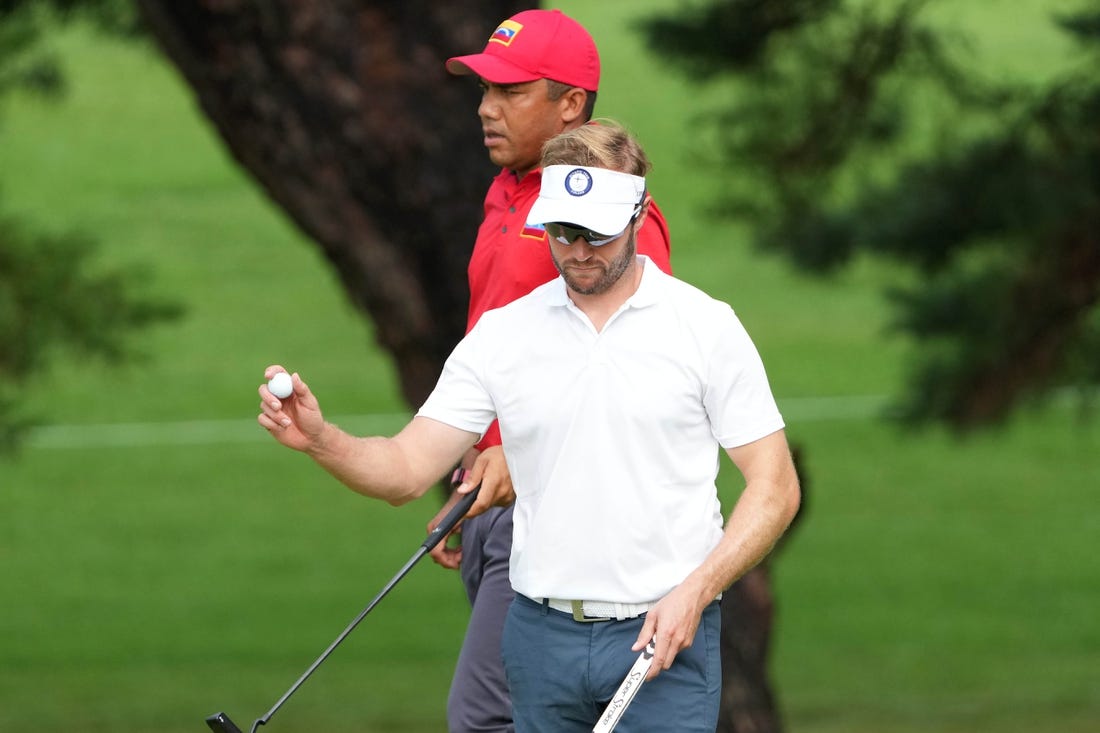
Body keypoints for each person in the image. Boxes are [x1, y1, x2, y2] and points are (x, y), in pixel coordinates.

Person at [257, 122, 801, 731]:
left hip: (664, 635)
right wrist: (320, 440)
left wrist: (697, 592)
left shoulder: (705, 328)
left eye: (596, 231)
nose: (577, 250)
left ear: (640, 214)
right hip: (541, 641)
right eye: (562, 230)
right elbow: (405, 471)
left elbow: (775, 486)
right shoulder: (503, 334)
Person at [432, 9, 672, 732]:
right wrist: (465, 467)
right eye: (483, 90)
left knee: (486, 718)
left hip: (561, 511)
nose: (485, 107)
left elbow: (640, 366)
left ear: (570, 103)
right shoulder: (505, 193)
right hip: (490, 500)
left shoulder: (618, 218)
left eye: (510, 91)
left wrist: (521, 450)